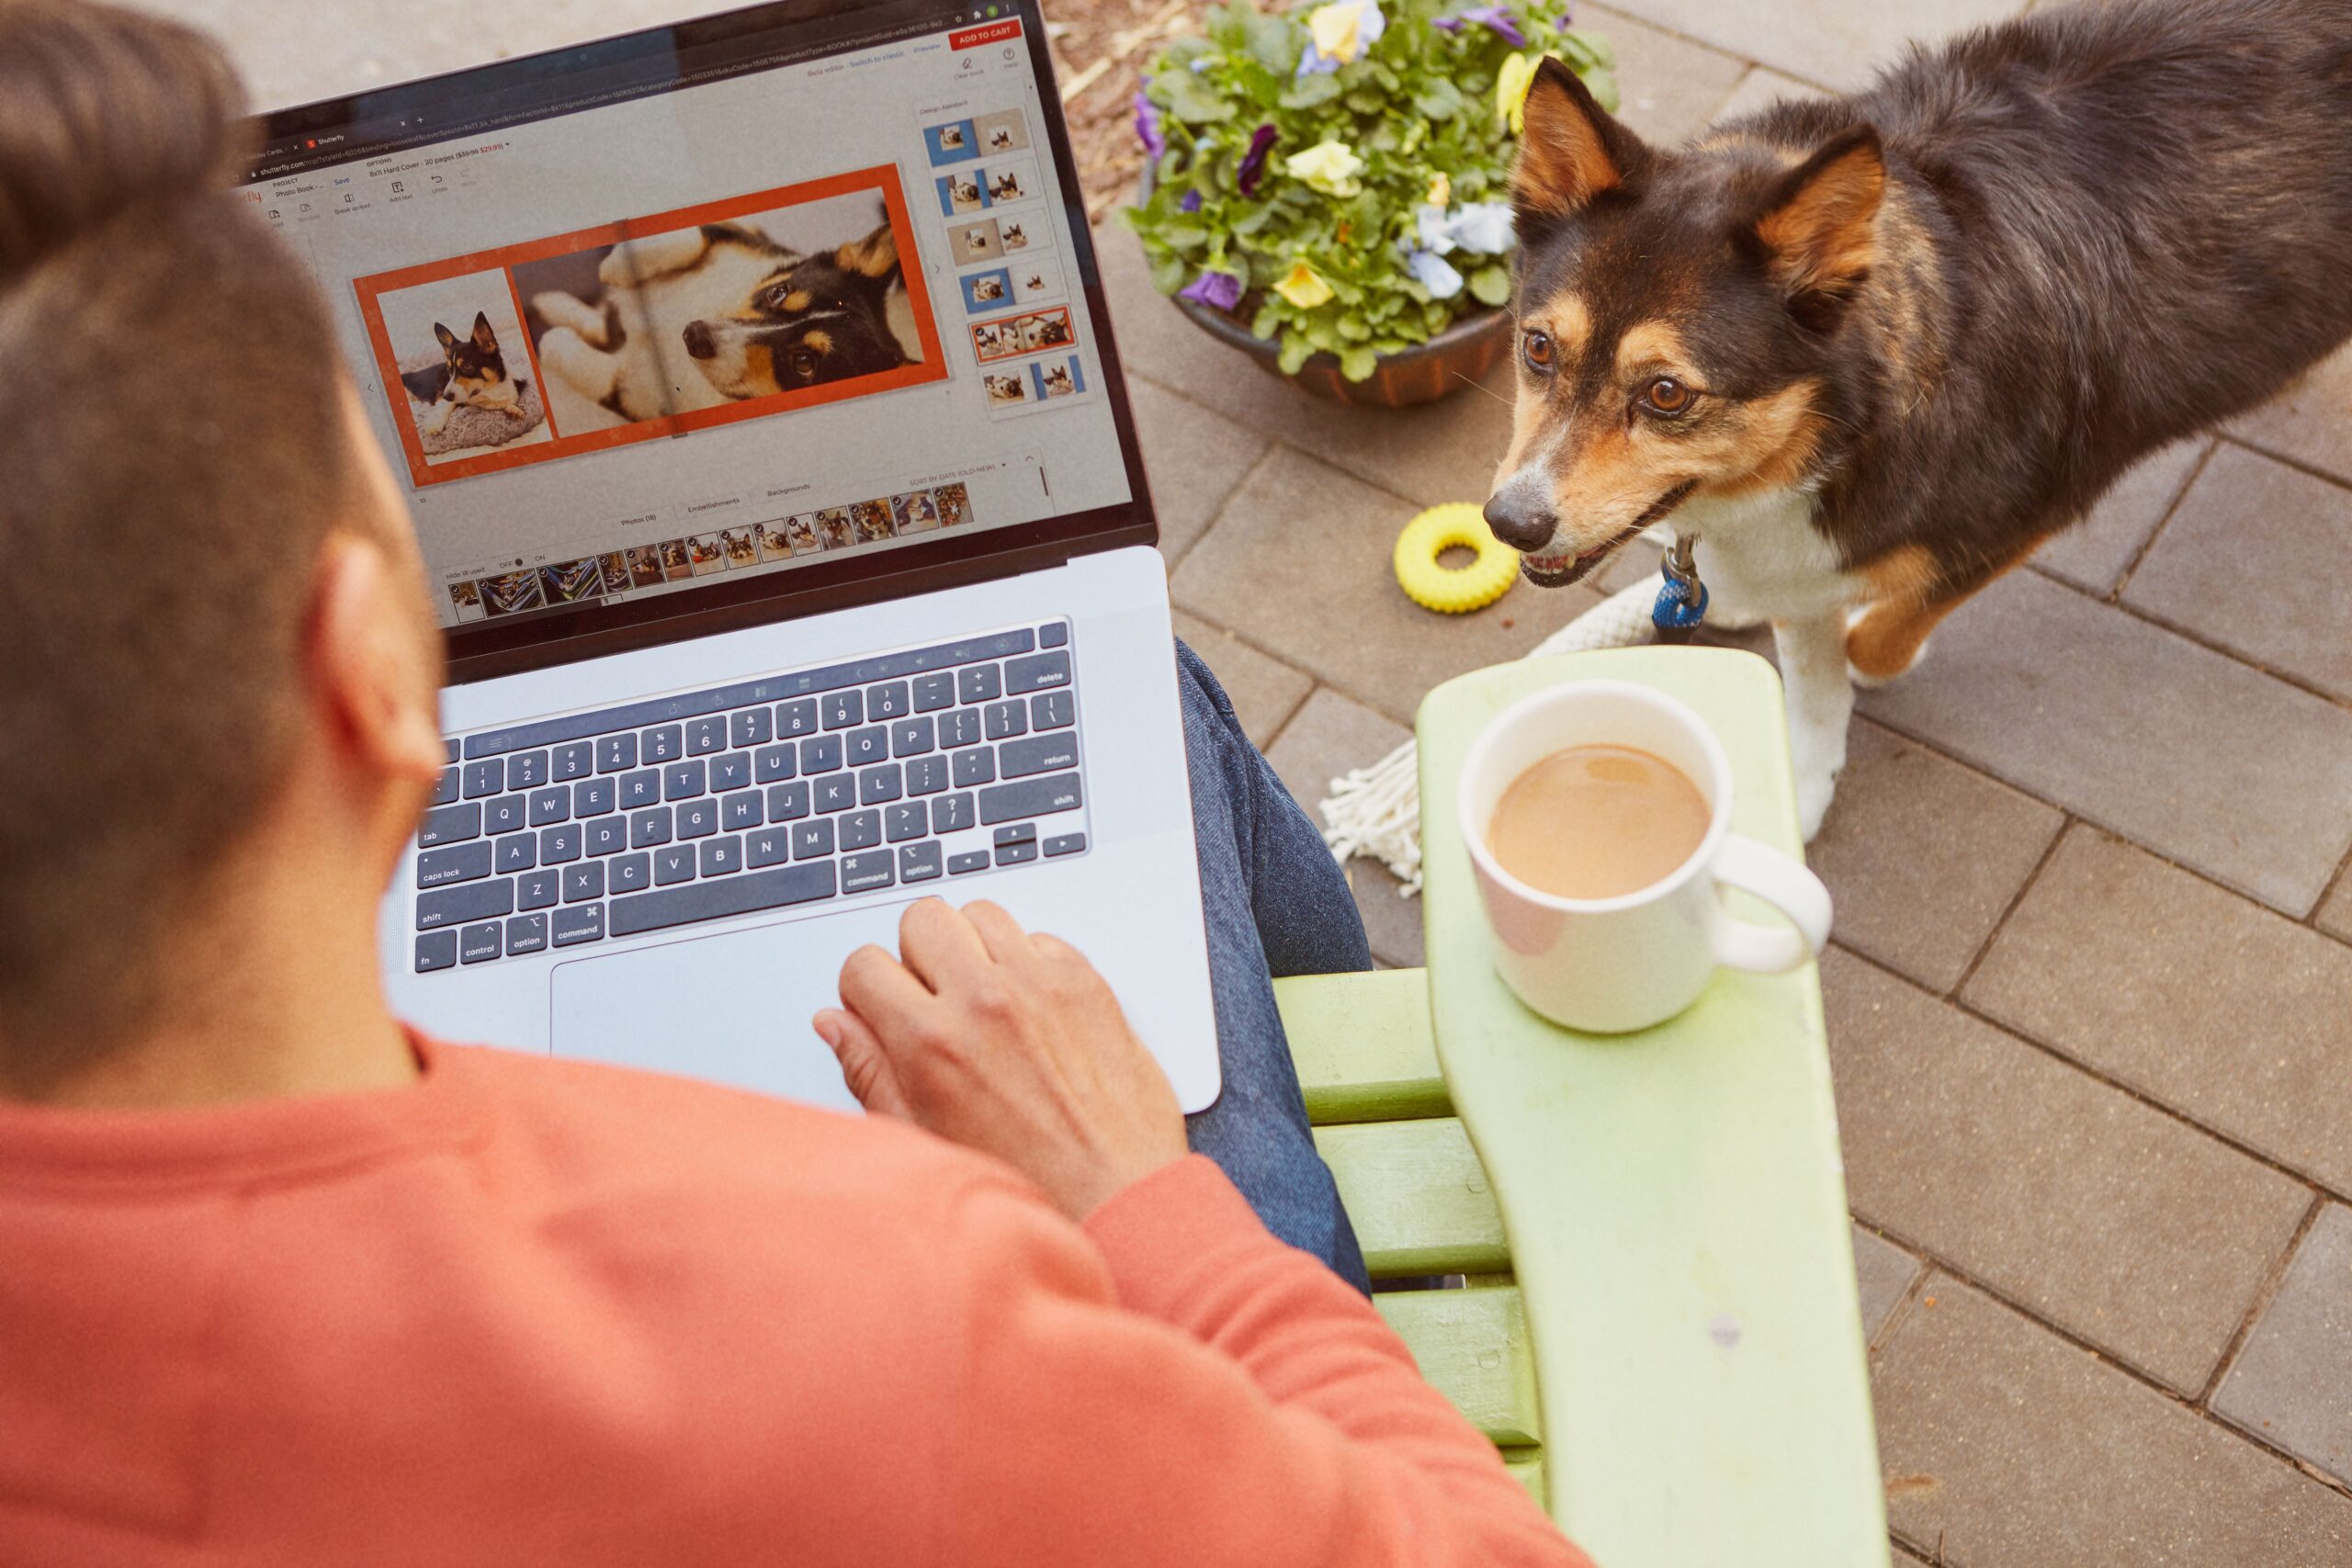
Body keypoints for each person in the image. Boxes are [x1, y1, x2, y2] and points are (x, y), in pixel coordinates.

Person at [0, 5, 1589, 1565]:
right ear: (366, 678)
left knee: (1150, 700)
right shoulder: (886, 1310)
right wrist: (1133, 1200)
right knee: (1155, 731)